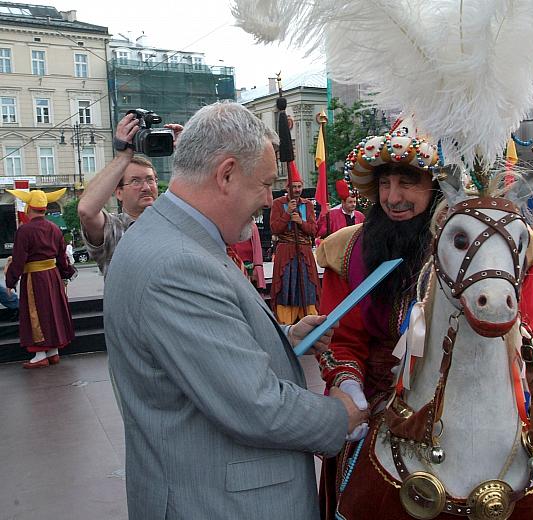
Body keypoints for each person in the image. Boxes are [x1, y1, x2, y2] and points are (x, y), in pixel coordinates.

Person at [103, 101, 367, 520]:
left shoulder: (173, 237)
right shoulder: (178, 262)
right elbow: (255, 405)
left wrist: (285, 341)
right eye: (264, 184)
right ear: (226, 174)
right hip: (222, 503)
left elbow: (205, 357)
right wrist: (341, 417)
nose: (269, 199)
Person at [315, 122, 533, 518]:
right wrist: (350, 390)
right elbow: (342, 340)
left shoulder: (495, 245)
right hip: (378, 395)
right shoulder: (349, 249)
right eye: (384, 183)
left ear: (437, 185)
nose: (393, 198)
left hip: (484, 396)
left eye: (407, 182)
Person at [77, 112, 182, 274]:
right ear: (118, 193)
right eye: (135, 181)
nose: (146, 187)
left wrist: (187, 151)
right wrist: (123, 156)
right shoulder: (113, 228)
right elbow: (86, 211)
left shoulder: (173, 221)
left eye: (150, 179)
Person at [5, 188, 75, 368]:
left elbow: (19, 260)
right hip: (53, 276)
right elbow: (62, 258)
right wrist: (66, 273)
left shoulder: (24, 231)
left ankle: (40, 355)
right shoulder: (54, 228)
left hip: (34, 278)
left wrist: (10, 281)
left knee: (36, 313)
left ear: (29, 207)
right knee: (53, 312)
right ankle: (53, 352)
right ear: (44, 208)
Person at [269, 169, 320, 324]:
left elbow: (313, 230)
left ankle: (310, 320)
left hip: (304, 251)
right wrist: (287, 214)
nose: (297, 190)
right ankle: (286, 323)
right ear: (287, 188)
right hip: (286, 251)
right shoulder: (277, 204)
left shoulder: (308, 205)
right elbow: (275, 228)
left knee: (307, 286)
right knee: (286, 286)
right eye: (294, 187)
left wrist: (300, 222)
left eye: (299, 187)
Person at [229, 215, 266, 290]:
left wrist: (257, 269)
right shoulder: (227, 227)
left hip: (249, 270)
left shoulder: (252, 227)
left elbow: (257, 251)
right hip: (232, 269)